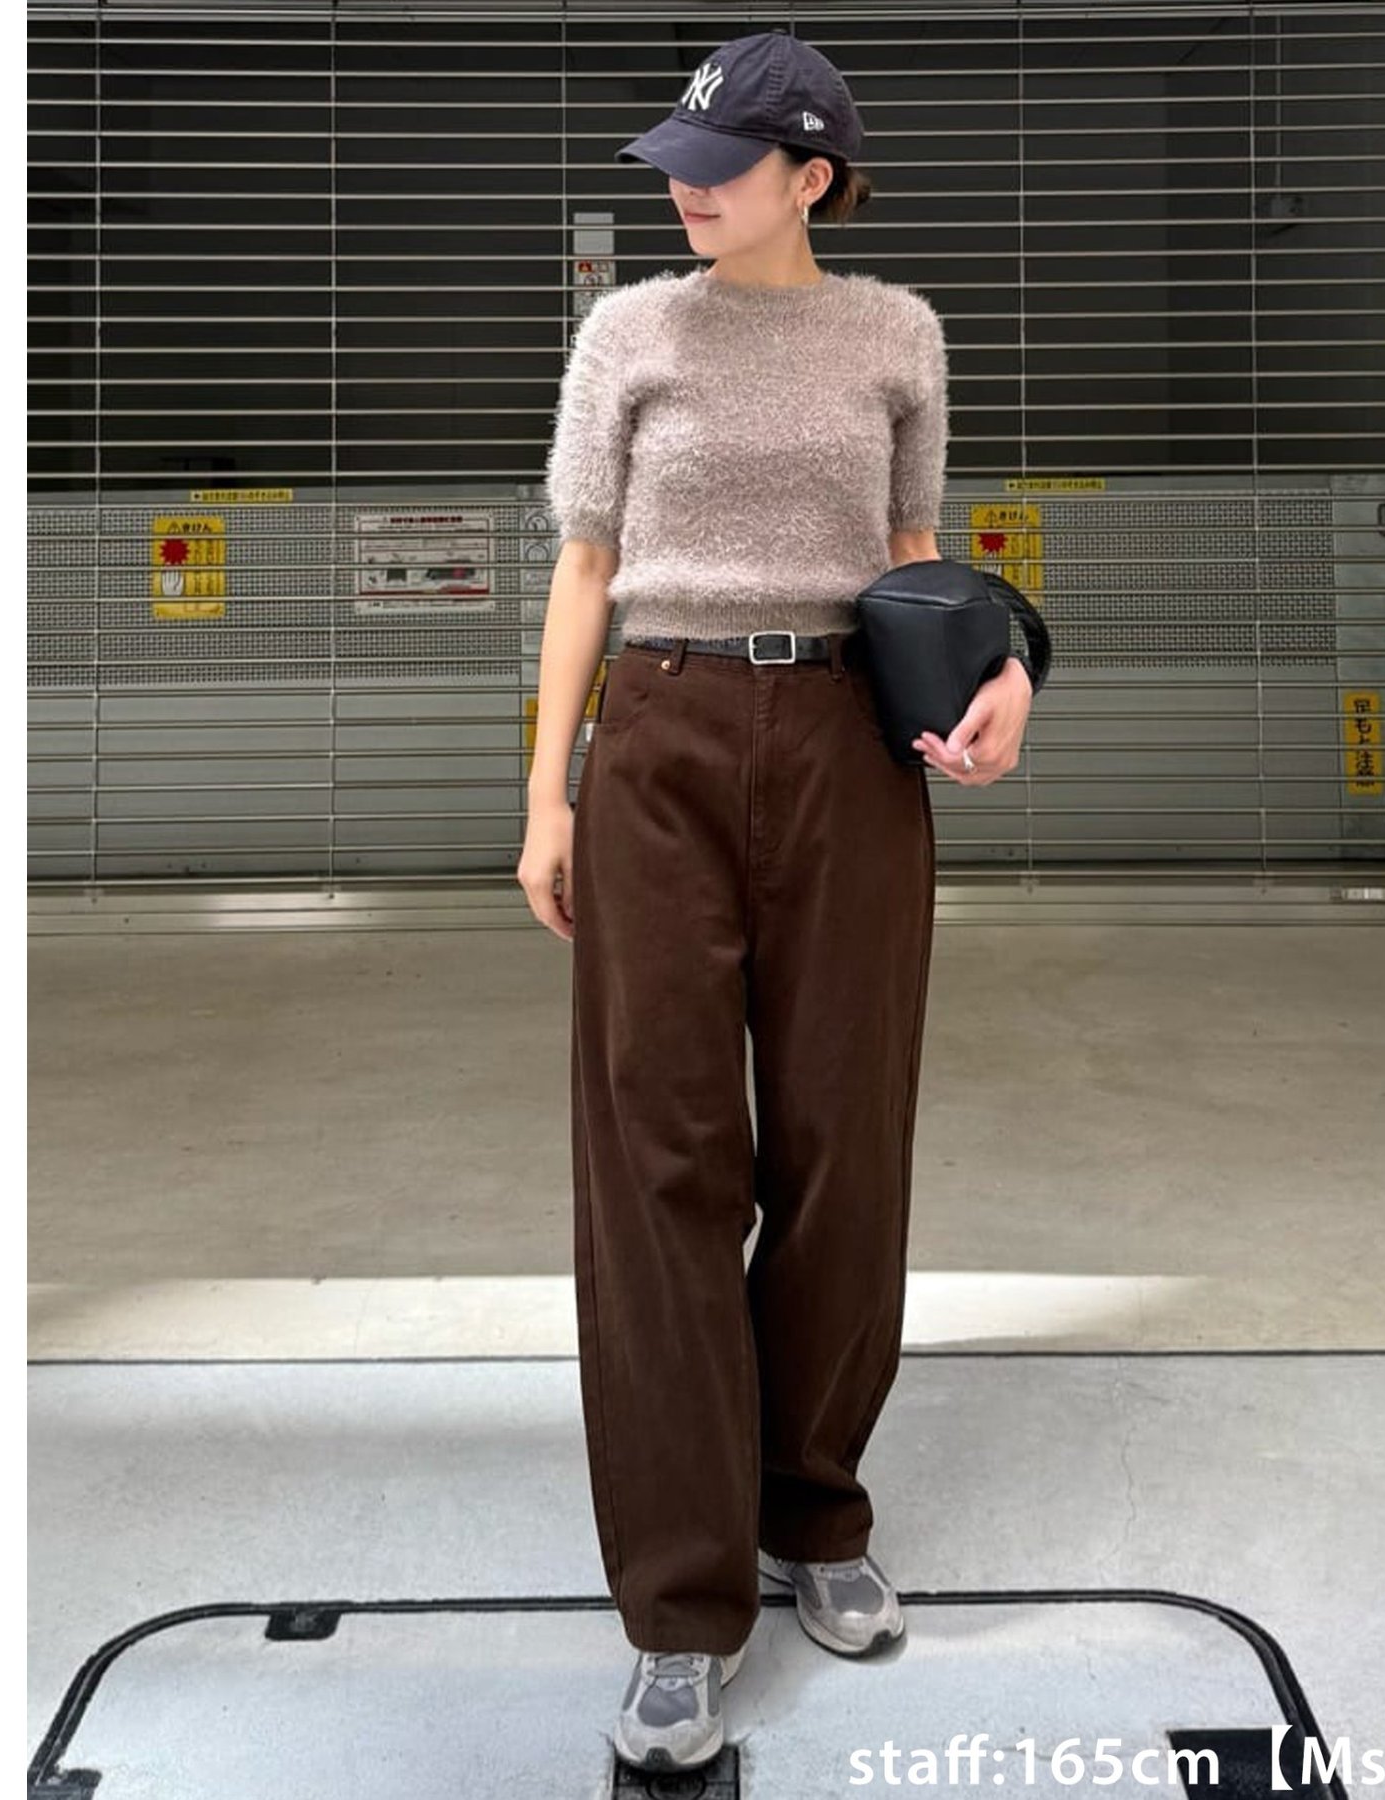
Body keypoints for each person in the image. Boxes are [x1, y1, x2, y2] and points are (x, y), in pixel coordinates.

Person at [517, 28, 1035, 1776]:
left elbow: (913, 556)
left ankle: (814, 1510)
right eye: (677, 161)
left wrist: (1002, 670)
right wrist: (549, 792)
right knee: (660, 1157)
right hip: (660, 733)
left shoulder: (895, 335)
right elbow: (587, 564)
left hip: (845, 744)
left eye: (723, 166)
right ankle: (679, 1604)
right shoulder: (629, 335)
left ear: (812, 177)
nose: (686, 190)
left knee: (843, 1140)